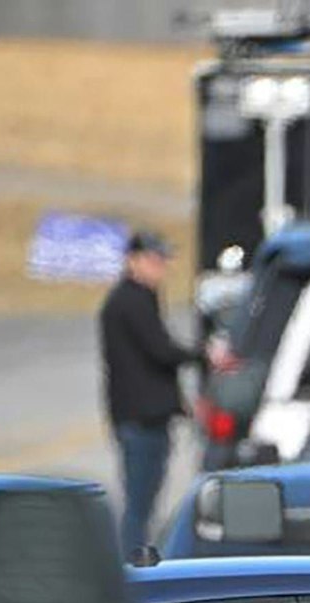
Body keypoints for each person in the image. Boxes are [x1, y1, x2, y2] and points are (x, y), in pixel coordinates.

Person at [98, 229, 199, 558]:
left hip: (146, 416)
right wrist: (203, 355)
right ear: (133, 261)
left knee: (145, 500)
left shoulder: (137, 299)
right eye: (154, 261)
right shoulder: (131, 301)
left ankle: (134, 560)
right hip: (140, 420)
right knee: (139, 504)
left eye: (162, 262)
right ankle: (132, 566)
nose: (161, 269)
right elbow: (160, 351)